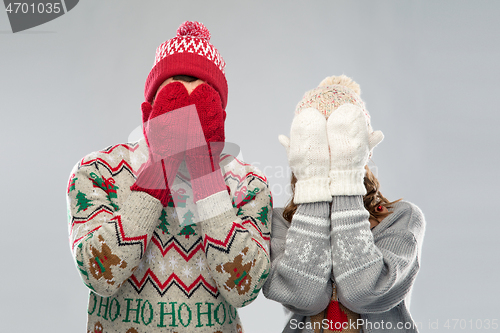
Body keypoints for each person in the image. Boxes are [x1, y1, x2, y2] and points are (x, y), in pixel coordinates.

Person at [66, 21, 272, 333]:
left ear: (219, 116)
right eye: (176, 96)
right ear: (148, 112)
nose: (189, 113)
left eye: (203, 100)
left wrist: (204, 173)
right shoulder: (99, 171)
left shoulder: (247, 182)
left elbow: (243, 290)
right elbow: (99, 276)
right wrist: (160, 169)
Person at [263, 75, 425, 333]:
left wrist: (346, 181)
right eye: (316, 141)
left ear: (363, 148)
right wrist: (313, 186)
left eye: (341, 141)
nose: (329, 152)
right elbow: (303, 296)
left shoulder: (402, 218)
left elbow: (363, 292)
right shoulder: (280, 222)